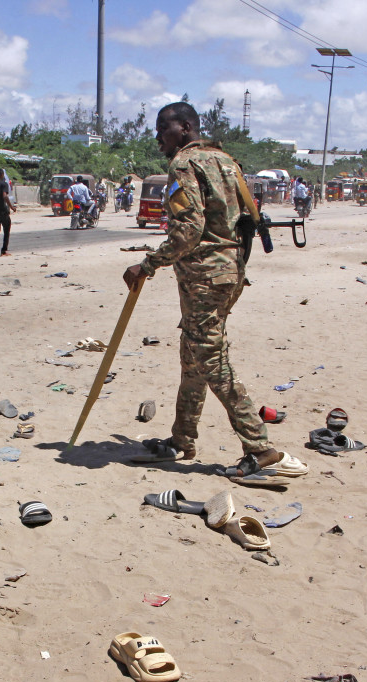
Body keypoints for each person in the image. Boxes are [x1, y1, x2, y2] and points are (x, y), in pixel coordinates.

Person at [123, 101, 285, 478]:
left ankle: (259, 447)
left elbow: (188, 230)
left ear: (185, 127)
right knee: (192, 357)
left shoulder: (184, 164)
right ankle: (182, 440)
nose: (158, 137)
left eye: (163, 128)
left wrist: (146, 265)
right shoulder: (228, 161)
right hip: (229, 273)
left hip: (203, 278)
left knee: (210, 360)